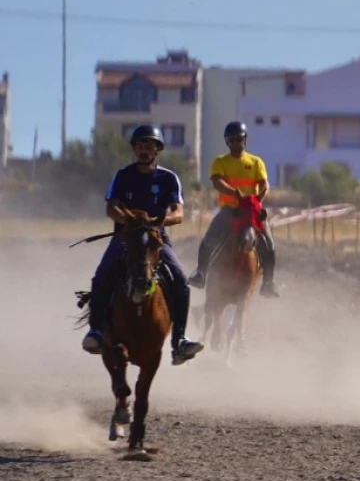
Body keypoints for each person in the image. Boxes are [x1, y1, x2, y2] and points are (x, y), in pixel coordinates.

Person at [81, 125, 205, 366]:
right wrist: (131, 221)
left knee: (180, 280)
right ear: (135, 149)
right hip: (125, 237)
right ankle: (95, 331)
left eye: (148, 146)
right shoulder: (123, 175)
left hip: (157, 238)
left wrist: (154, 222)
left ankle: (179, 341)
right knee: (102, 275)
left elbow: (178, 214)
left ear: (157, 150)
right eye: (139, 146)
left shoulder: (169, 178)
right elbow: (111, 208)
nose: (143, 150)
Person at [188, 121, 280, 297]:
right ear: (227, 142)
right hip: (230, 210)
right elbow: (217, 182)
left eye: (239, 139)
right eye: (232, 140)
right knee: (209, 239)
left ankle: (269, 281)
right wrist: (234, 193)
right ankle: (201, 273)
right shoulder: (220, 162)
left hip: (252, 212)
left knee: (269, 243)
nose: (236, 143)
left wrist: (258, 199)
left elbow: (264, 184)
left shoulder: (256, 162)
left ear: (245, 140)